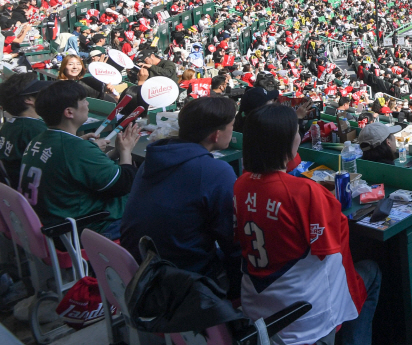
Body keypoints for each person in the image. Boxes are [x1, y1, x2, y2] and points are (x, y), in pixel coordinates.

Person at [234, 105, 380, 345]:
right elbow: (332, 246)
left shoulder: (240, 184)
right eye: (296, 132)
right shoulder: (305, 192)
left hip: (257, 310)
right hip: (303, 317)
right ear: (286, 142)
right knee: (372, 271)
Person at [122, 96, 239, 292]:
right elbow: (234, 241)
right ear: (216, 135)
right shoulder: (215, 171)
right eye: (231, 126)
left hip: (141, 274)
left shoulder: (154, 158)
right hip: (182, 285)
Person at [20, 81, 140, 237]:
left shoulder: (39, 139)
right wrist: (126, 151)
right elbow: (123, 184)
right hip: (85, 228)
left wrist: (114, 152)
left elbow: (78, 170)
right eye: (83, 100)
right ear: (69, 112)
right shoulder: (74, 148)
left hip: (50, 220)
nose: (87, 103)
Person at [0, 74, 50, 188]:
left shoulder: (9, 125)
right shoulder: (33, 128)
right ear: (28, 100)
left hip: (14, 190)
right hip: (35, 193)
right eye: (40, 93)